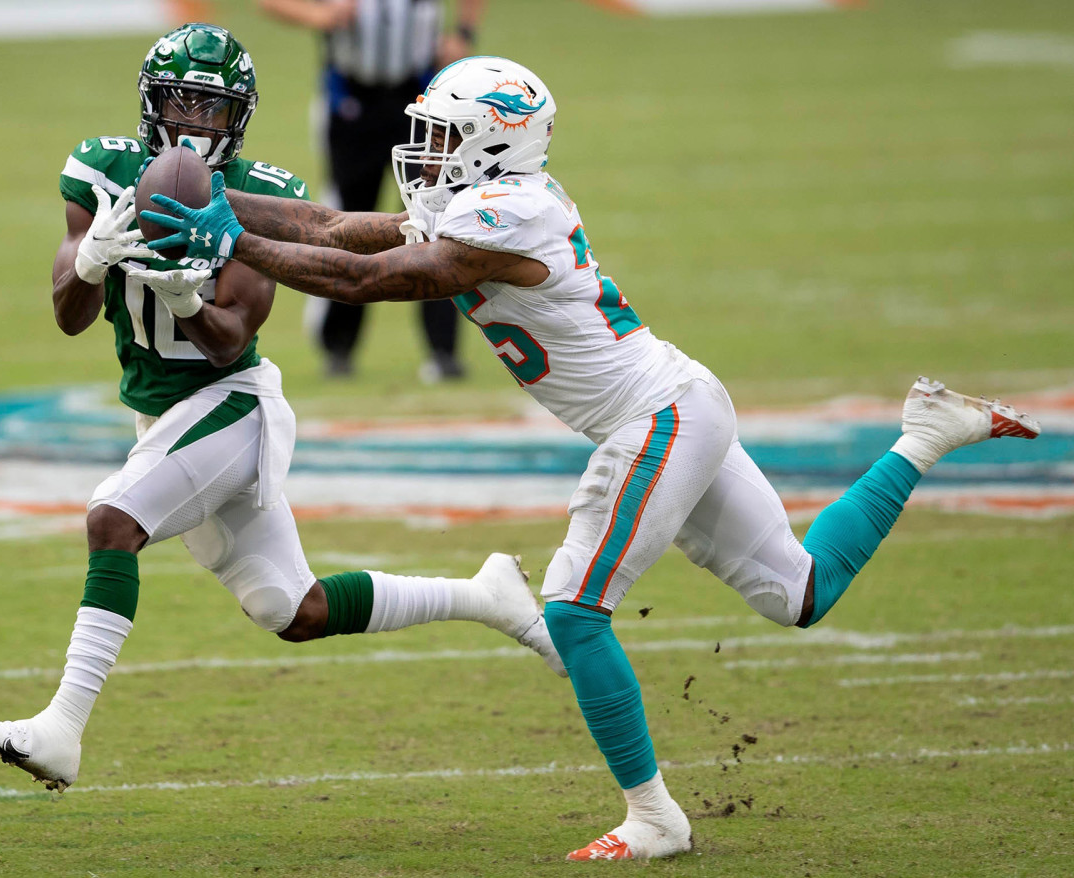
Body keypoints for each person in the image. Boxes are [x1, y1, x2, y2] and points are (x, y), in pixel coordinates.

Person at [139, 55, 1042, 860]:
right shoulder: (472, 198)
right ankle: (927, 432)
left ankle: (654, 818)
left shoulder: (510, 210)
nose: (418, 149)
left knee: (573, 610)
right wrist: (196, 189)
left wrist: (229, 241)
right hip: (680, 404)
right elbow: (333, 227)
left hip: (658, 418)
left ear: (494, 145)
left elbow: (376, 280)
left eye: (440, 135)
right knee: (800, 592)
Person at [0, 30, 564, 796]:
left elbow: (229, 341)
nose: (196, 122)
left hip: (231, 404)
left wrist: (186, 300)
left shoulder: (257, 190)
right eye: (182, 101)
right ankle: (484, 596)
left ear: (238, 117)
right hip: (163, 417)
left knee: (113, 519)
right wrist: (86, 262)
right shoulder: (102, 169)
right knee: (294, 608)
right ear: (151, 102)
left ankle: (62, 729)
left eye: (214, 108)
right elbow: (68, 316)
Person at [256, 0, 485, 381]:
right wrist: (321, 16)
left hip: (418, 99)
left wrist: (463, 33)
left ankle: (444, 352)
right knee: (348, 222)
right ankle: (339, 348)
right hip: (351, 99)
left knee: (435, 218)